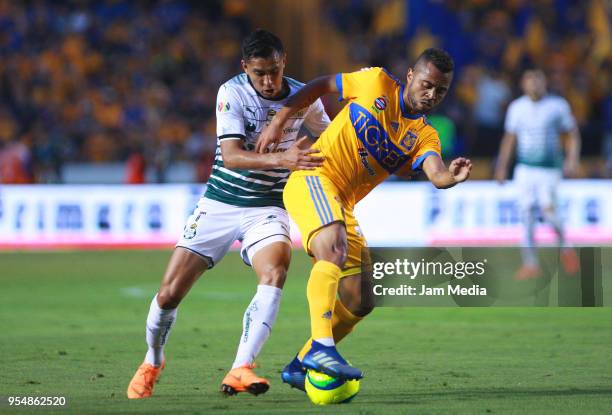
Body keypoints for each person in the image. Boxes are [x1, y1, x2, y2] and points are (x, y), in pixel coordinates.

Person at [126, 29, 330, 399]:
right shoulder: (231, 92)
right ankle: (153, 359)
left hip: (267, 207)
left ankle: (242, 366)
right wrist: (283, 158)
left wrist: (311, 147)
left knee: (276, 270)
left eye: (273, 70)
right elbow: (233, 156)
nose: (268, 81)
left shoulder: (305, 99)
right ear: (245, 68)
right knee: (169, 294)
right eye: (259, 73)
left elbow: (328, 137)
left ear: (284, 61)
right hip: (219, 204)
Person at [256, 48, 472, 387]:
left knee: (362, 298)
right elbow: (322, 84)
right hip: (314, 177)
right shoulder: (375, 82)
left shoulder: (425, 135)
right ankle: (322, 347)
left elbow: (436, 172)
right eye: (427, 85)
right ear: (411, 77)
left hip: (342, 203)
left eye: (440, 91)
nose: (431, 95)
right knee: (334, 249)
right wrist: (279, 121)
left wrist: (451, 178)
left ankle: (300, 364)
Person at [494, 68, 581, 280]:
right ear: (523, 84)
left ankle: (566, 248)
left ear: (545, 83)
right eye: (529, 79)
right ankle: (531, 264)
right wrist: (501, 166)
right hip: (524, 168)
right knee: (526, 213)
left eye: (537, 79)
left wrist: (572, 159)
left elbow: (572, 134)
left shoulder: (557, 106)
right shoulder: (517, 108)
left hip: (549, 167)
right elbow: (510, 138)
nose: (533, 84)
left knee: (549, 212)